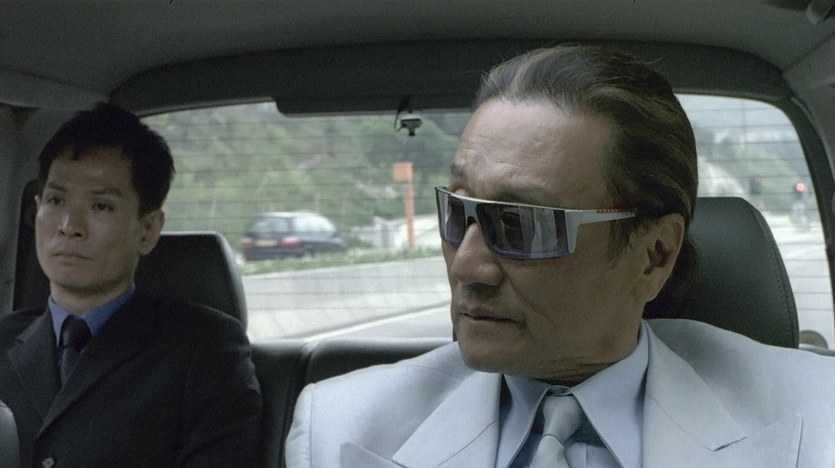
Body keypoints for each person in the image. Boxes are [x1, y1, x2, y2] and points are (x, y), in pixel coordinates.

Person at [285, 45, 835, 467]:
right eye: (457, 212)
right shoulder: (339, 429)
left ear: (654, 254)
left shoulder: (821, 415)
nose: (465, 266)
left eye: (522, 225)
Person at [0, 103, 262, 467]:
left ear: (148, 230)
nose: (69, 225)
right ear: (37, 207)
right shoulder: (4, 339)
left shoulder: (205, 350)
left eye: (101, 206)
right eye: (56, 201)